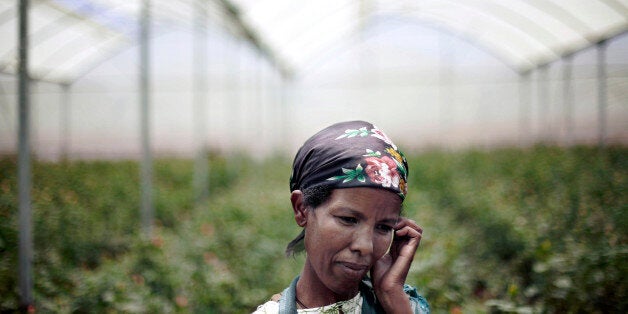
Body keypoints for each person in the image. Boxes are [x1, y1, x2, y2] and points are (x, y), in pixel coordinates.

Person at [254, 121, 429, 314]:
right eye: (348, 219)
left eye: (384, 227)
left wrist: (393, 297)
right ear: (302, 209)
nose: (365, 246)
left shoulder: (404, 306)